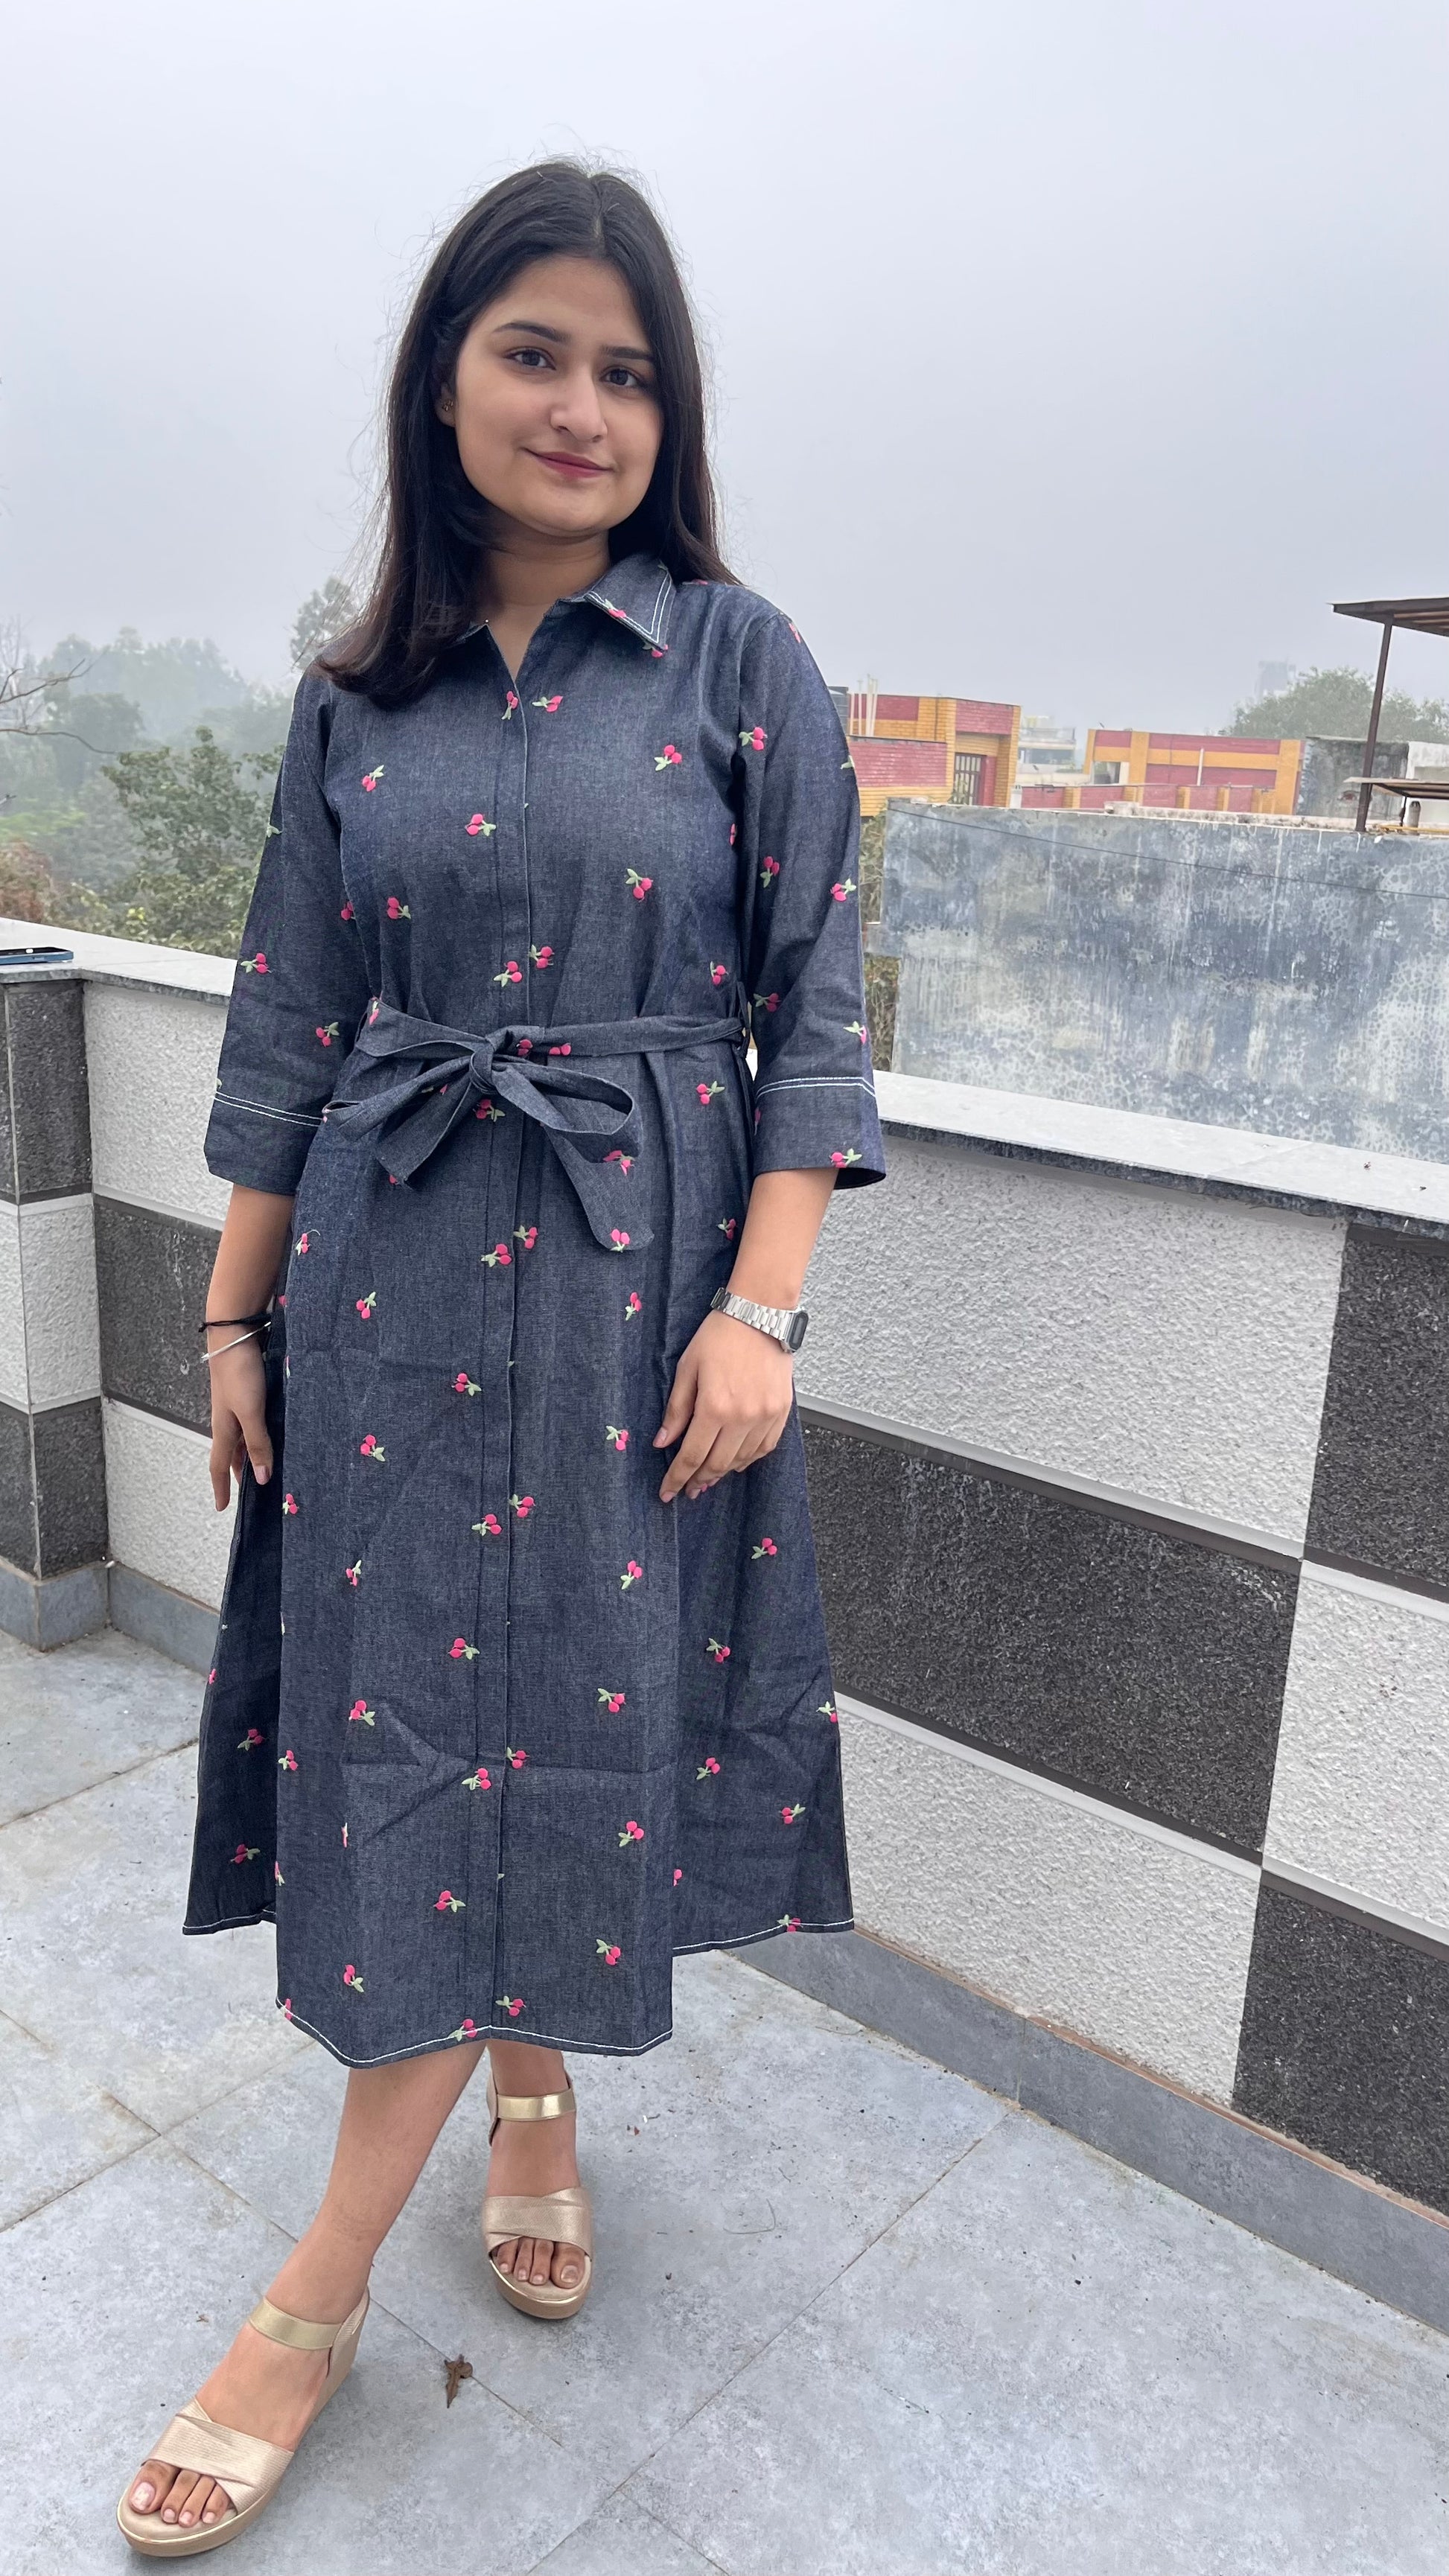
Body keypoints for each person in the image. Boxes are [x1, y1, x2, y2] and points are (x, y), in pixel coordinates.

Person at [118, 157, 885, 2555]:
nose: (582, 407)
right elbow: (287, 1025)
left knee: (564, 1711)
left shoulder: (739, 662)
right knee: (423, 1731)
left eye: (626, 370)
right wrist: (228, 1312)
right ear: (442, 379)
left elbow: (812, 1012)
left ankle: (313, 2292)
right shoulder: (353, 700)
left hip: (643, 1305)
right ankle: (523, 2085)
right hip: (383, 1286)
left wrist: (763, 1305)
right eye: (534, 351)